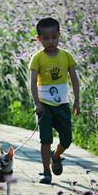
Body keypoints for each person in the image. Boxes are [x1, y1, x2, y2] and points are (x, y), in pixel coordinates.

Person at [28, 17, 81, 184]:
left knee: (66, 138)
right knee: (46, 139)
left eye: (54, 37)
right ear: (39, 39)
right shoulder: (37, 58)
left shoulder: (66, 56)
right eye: (46, 38)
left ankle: (56, 156)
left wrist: (77, 101)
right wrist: (37, 103)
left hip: (63, 104)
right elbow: (32, 82)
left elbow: (74, 79)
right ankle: (46, 172)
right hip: (44, 106)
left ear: (59, 35)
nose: (50, 41)